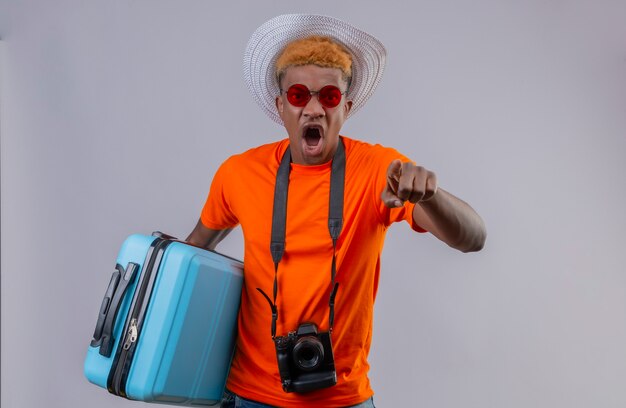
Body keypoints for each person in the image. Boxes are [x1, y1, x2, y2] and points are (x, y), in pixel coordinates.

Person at [186, 14, 486, 408]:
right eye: (298, 95)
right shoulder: (239, 173)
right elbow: (189, 258)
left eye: (327, 97)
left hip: (344, 398)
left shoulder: (380, 170)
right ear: (280, 105)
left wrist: (428, 195)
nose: (313, 109)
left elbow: (474, 238)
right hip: (249, 395)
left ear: (345, 107)